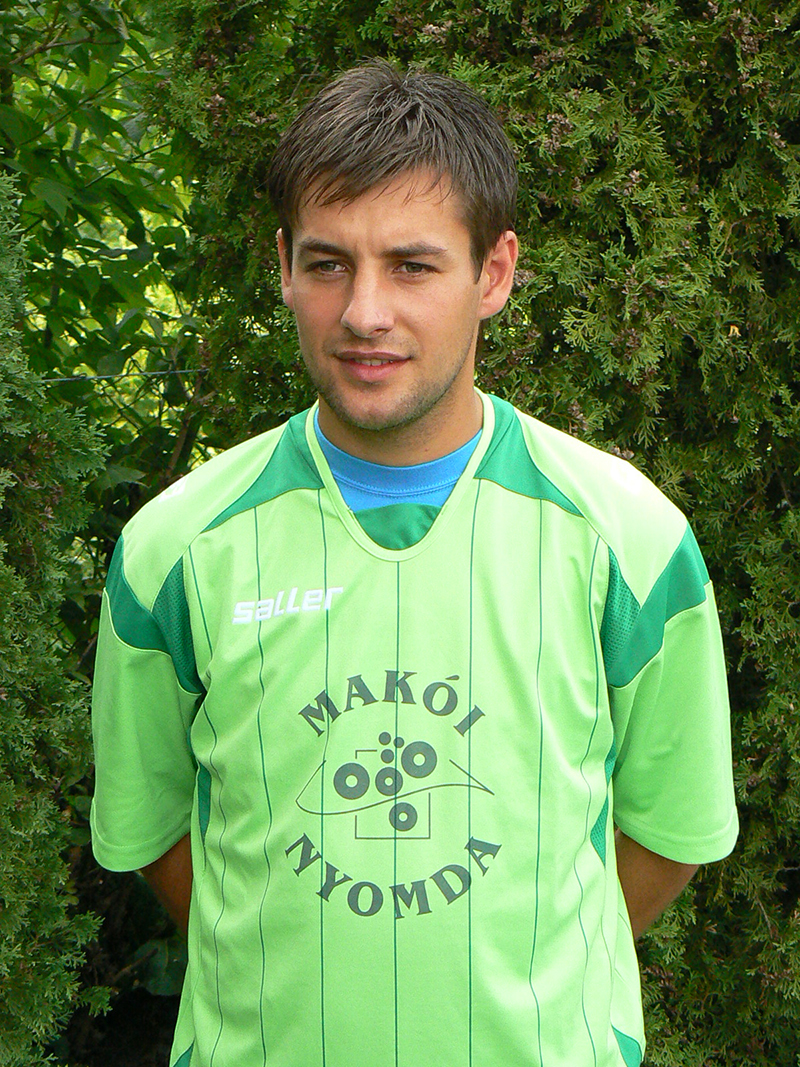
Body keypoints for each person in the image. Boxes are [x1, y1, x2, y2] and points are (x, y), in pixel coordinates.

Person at [90, 60, 738, 1067]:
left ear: (494, 273)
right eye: (328, 264)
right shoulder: (172, 551)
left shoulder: (631, 542)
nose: (364, 312)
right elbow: (156, 831)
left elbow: (670, 831)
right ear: (283, 266)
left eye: (412, 265)